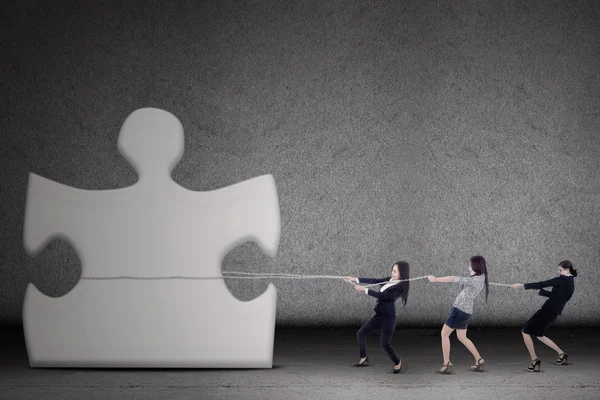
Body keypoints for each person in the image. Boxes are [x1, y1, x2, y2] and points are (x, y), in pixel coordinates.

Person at [510, 260, 577, 372]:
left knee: (525, 330)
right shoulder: (570, 282)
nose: (559, 272)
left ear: (567, 269)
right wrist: (542, 292)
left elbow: (542, 283)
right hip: (553, 312)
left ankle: (534, 361)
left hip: (547, 311)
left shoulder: (562, 280)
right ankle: (562, 354)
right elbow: (556, 296)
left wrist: (521, 286)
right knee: (539, 335)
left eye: (560, 270)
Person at [344, 261, 410, 374]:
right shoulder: (389, 280)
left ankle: (398, 362)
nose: (392, 273)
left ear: (402, 273)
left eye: (395, 271)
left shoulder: (399, 288)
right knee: (360, 334)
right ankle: (363, 357)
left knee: (384, 344)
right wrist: (355, 279)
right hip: (378, 316)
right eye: (392, 270)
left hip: (388, 319)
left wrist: (364, 290)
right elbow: (375, 281)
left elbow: (382, 296)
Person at [427, 255, 489, 374]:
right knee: (462, 337)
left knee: (444, 334)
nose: (468, 267)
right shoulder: (481, 277)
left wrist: (435, 279)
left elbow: (453, 278)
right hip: (466, 312)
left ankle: (446, 363)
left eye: (470, 265)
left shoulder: (474, 279)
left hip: (459, 310)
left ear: (476, 265)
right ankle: (479, 359)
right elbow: (462, 279)